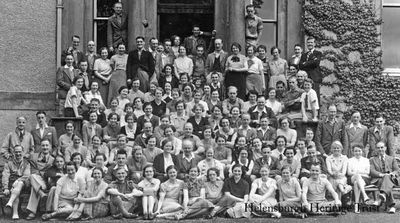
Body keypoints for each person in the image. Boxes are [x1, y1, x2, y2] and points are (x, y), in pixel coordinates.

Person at [24, 141, 57, 220]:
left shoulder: (53, 160)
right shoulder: (34, 157)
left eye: (46, 145)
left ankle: (32, 212)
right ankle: (41, 193)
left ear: (50, 147)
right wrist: (41, 173)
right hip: (34, 180)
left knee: (34, 186)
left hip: (45, 182)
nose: (45, 147)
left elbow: (51, 173)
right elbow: (33, 170)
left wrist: (44, 174)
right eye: (43, 146)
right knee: (33, 177)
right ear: (40, 147)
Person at [369, 141, 400, 213]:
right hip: (379, 179)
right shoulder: (372, 159)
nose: (380, 149)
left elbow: (397, 170)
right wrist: (381, 175)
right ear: (376, 149)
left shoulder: (391, 158)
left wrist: (392, 173)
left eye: (382, 147)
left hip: (392, 179)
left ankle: (382, 196)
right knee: (386, 180)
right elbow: (372, 171)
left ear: (385, 148)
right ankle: (392, 206)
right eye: (378, 148)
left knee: (387, 179)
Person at [2, 145, 31, 220]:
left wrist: (18, 180)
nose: (18, 154)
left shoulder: (26, 163)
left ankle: (10, 203)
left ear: (23, 152)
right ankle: (15, 213)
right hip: (12, 185)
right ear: (13, 153)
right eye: (16, 152)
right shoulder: (9, 163)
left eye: (20, 152)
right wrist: (5, 188)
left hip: (24, 185)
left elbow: (26, 176)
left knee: (20, 183)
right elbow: (5, 175)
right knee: (16, 189)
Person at [347, 144, 371, 211]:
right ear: (353, 152)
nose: (357, 153)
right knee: (357, 176)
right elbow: (349, 172)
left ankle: (356, 205)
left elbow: (368, 172)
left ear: (362, 151)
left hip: (364, 179)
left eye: (359, 151)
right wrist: (358, 173)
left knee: (356, 183)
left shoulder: (366, 160)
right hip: (352, 178)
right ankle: (364, 195)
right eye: (355, 151)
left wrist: (357, 172)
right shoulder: (349, 160)